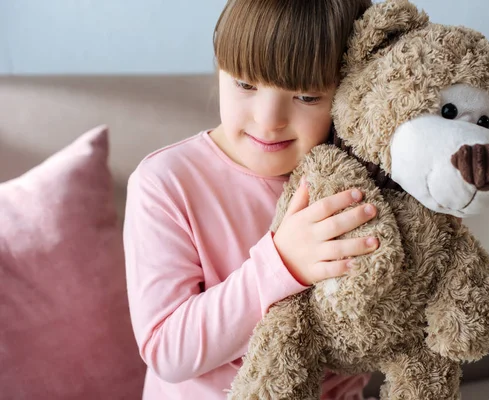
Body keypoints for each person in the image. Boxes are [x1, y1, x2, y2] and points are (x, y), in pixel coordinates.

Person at [123, 0, 379, 398]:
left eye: (308, 96)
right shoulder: (166, 183)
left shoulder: (354, 174)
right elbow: (167, 350)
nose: (268, 119)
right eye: (246, 85)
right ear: (220, 70)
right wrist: (282, 265)